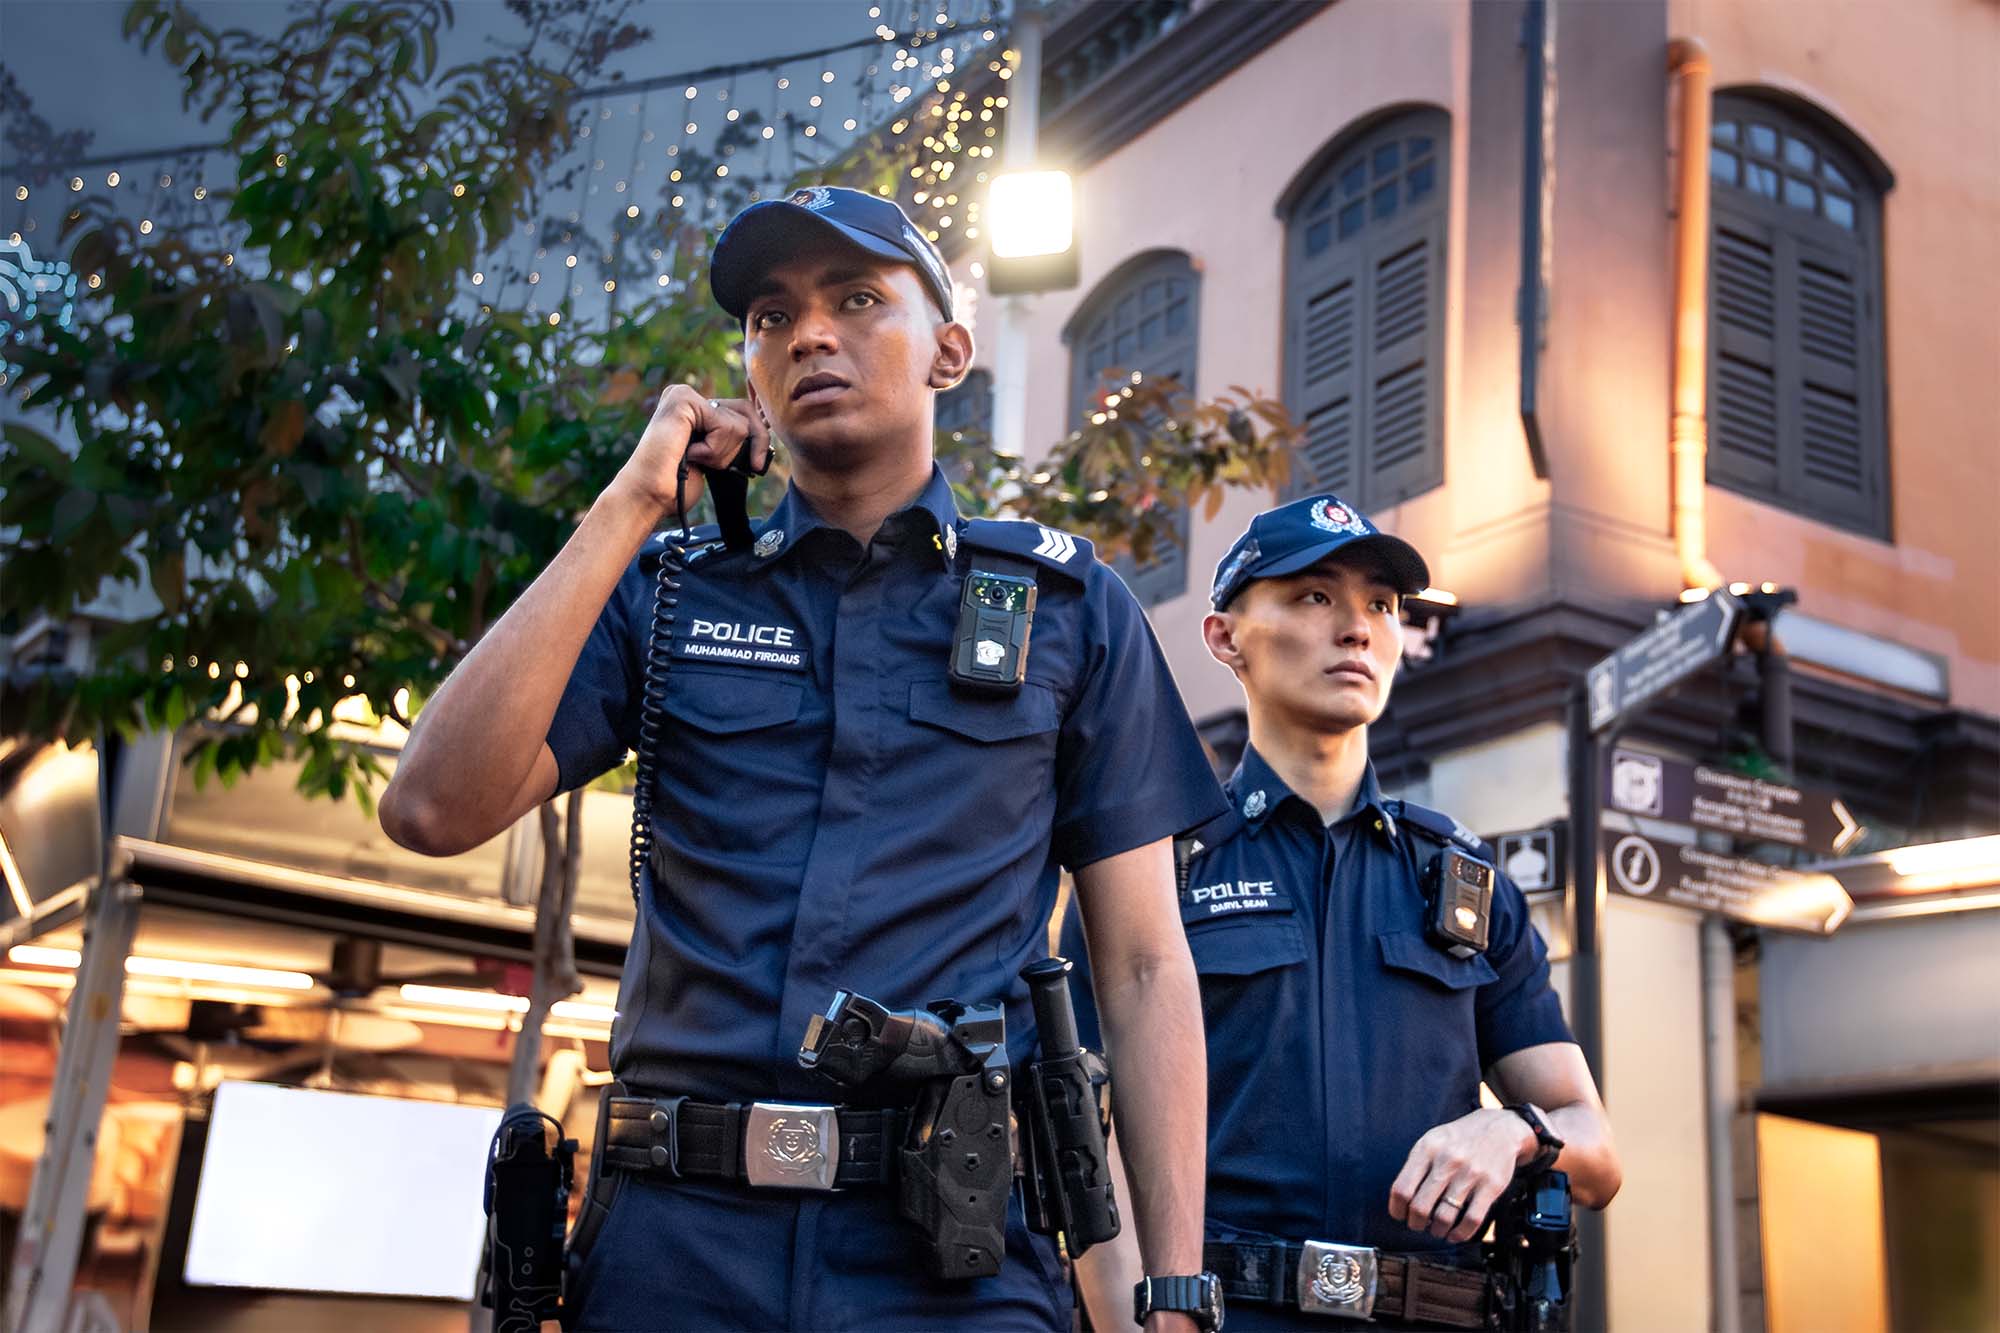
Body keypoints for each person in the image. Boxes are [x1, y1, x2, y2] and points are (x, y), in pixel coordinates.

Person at [379, 186, 1226, 1331]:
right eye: (771, 317)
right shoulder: (667, 589)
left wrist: (1173, 1288)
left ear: (950, 352)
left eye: (860, 299)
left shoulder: (1070, 610)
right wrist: (631, 507)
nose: (808, 333)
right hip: (675, 1246)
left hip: (949, 1262)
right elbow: (431, 807)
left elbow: (1139, 968)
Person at [1066, 495, 1622, 1331]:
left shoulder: (1463, 880)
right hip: (1220, 1313)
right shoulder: (1155, 869)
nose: (1358, 629)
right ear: (1225, 638)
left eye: (1382, 606)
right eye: (1314, 597)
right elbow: (1080, 1140)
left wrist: (1512, 1130)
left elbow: (1596, 1150)